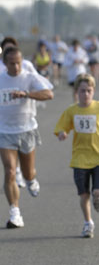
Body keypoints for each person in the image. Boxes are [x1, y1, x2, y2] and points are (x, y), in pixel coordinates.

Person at [0, 46, 53, 228]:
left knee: (28, 173)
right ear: (5, 63)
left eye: (18, 62)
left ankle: (31, 179)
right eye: (12, 63)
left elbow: (49, 94)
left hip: (27, 130)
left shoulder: (29, 77)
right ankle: (14, 212)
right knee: (10, 171)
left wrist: (26, 94)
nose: (16, 67)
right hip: (6, 131)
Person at [0, 36, 39, 189]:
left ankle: (25, 175)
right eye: (5, 49)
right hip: (2, 116)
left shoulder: (27, 65)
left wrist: (26, 93)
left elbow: (35, 82)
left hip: (24, 117)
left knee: (26, 160)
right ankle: (15, 172)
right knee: (9, 157)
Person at [54, 73, 99, 238]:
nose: (85, 94)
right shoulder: (72, 110)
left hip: (98, 157)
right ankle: (88, 223)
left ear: (93, 91)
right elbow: (62, 127)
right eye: (82, 91)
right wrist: (62, 133)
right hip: (80, 159)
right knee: (84, 194)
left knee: (96, 192)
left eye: (88, 91)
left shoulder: (98, 108)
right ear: (76, 92)